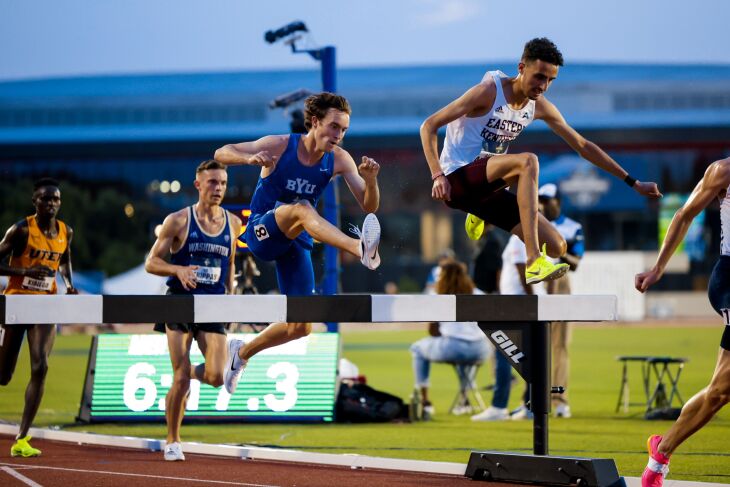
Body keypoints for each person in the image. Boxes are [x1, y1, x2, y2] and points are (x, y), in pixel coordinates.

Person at [420, 37, 661, 285]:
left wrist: (633, 182)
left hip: (484, 189)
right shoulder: (488, 92)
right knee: (528, 162)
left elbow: (583, 146)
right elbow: (428, 126)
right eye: (538, 76)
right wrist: (437, 175)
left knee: (557, 246)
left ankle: (482, 214)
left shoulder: (538, 106)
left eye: (550, 80)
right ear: (521, 68)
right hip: (456, 179)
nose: (543, 86)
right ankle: (533, 260)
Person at [214, 92, 382, 395]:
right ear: (315, 122)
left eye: (344, 130)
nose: (339, 136)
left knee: (301, 326)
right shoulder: (279, 146)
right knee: (303, 208)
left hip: (296, 240)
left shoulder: (339, 159)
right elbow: (221, 152)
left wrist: (370, 181)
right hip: (261, 232)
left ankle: (241, 352)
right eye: (334, 127)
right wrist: (247, 158)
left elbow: (369, 206)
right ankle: (359, 248)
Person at [635, 157, 730, 487]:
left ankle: (660, 453)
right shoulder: (724, 171)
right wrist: (658, 267)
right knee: (723, 389)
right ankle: (660, 456)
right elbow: (685, 214)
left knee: (720, 391)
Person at [145, 160, 242, 461]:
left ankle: (186, 377)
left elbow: (230, 262)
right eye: (212, 182)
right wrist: (177, 269)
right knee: (180, 376)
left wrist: (231, 298)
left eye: (223, 183)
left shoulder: (234, 223)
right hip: (180, 302)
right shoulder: (178, 220)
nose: (218, 188)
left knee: (215, 376)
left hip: (213, 304)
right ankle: (173, 440)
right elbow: (151, 262)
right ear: (198, 185)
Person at [0, 178, 78, 457]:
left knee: (41, 366)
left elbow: (65, 259)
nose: (51, 203)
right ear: (35, 201)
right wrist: (25, 273)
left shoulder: (65, 231)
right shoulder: (21, 230)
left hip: (45, 305)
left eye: (56, 199)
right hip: (15, 303)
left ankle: (22, 438)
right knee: (4, 375)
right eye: (45, 199)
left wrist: (69, 284)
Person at [471, 233, 545, 421]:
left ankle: (500, 406)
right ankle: (529, 405)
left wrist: (530, 301)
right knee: (531, 357)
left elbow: (522, 271)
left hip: (516, 304)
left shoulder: (519, 239)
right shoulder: (533, 239)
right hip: (522, 303)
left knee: (504, 353)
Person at [410, 259, 492, 419]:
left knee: (417, 348)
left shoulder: (438, 296)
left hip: (453, 347)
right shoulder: (478, 293)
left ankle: (425, 403)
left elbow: (432, 331)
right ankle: (464, 399)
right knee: (465, 355)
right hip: (481, 349)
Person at [539, 183, 584, 418]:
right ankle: (533, 397)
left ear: (558, 201)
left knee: (560, 346)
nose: (543, 204)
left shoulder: (571, 227)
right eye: (541, 200)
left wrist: (556, 250)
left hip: (561, 282)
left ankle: (560, 399)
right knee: (534, 347)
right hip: (537, 284)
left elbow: (576, 263)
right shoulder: (531, 222)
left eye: (547, 200)